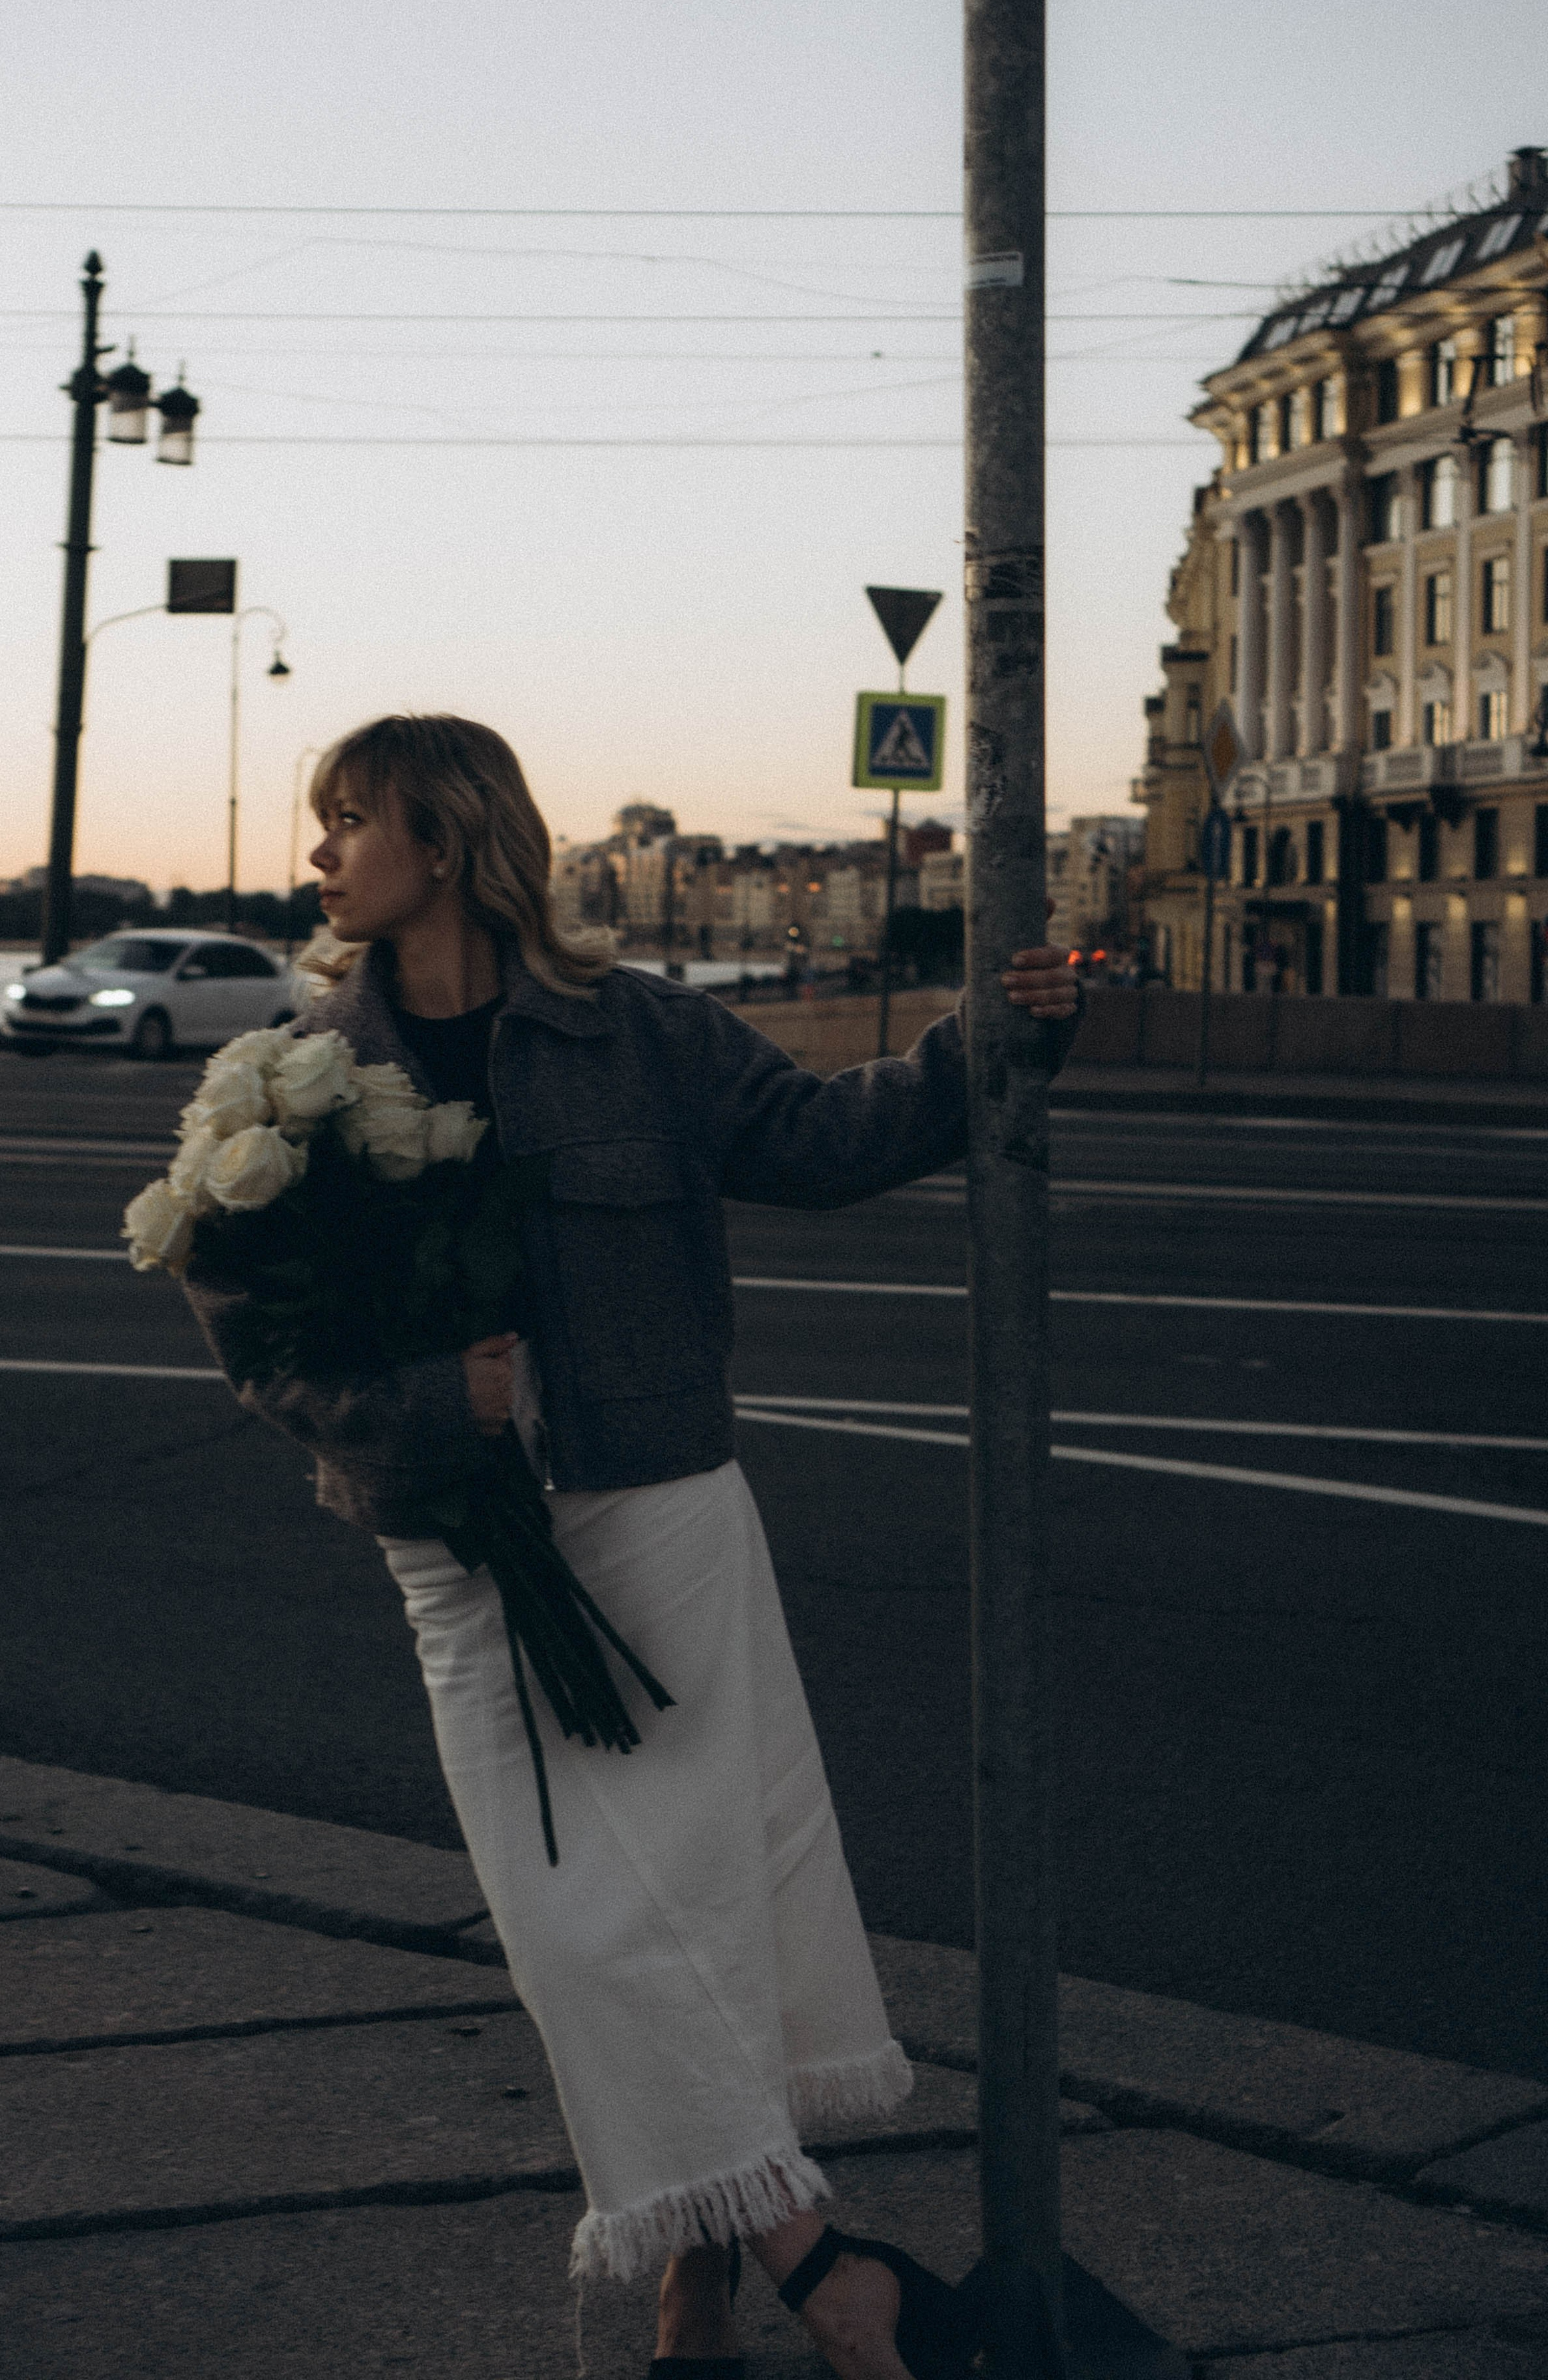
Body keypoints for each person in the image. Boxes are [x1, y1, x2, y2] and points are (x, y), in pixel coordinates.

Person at [185, 714, 1080, 2380]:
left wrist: (993, 1040)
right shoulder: (289, 1076)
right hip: (457, 1544)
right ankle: (822, 2262)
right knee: (574, 1927)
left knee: (699, 1899)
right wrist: (425, 1402)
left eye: (349, 819)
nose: (320, 854)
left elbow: (827, 1142)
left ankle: (697, 2284)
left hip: (657, 1509)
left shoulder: (642, 1035)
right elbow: (261, 1345)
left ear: (444, 843)